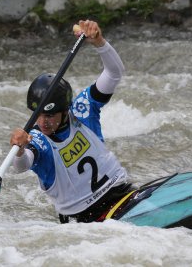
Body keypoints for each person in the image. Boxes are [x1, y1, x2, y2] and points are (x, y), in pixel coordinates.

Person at [10, 20, 133, 223]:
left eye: (49, 115)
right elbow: (21, 166)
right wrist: (20, 150)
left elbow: (114, 73)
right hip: (82, 218)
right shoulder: (37, 140)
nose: (42, 122)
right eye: (38, 114)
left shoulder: (82, 110)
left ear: (65, 110)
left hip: (119, 193)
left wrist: (99, 42)